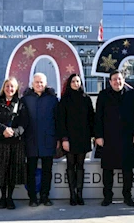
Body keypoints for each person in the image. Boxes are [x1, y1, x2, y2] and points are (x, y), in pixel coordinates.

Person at [94, 70, 134, 207]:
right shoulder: (103, 95)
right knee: (107, 170)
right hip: (108, 137)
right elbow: (98, 117)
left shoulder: (131, 94)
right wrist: (98, 136)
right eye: (114, 79)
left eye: (120, 79)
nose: (117, 82)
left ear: (124, 80)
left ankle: (127, 197)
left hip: (127, 137)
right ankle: (107, 197)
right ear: (110, 82)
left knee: (127, 170)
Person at [18, 73, 59, 207]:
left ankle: (45, 196)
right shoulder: (25, 99)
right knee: (31, 170)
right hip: (31, 140)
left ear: (45, 84)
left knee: (47, 171)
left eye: (41, 82)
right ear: (32, 84)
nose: (39, 85)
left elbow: (57, 120)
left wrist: (58, 138)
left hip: (48, 139)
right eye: (37, 82)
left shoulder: (53, 99)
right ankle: (32, 198)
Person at [56, 74, 95, 206]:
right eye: (73, 81)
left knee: (80, 166)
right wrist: (64, 139)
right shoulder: (64, 100)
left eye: (78, 81)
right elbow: (60, 121)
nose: (76, 83)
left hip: (83, 138)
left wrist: (93, 136)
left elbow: (91, 119)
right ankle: (72, 195)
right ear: (69, 83)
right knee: (70, 166)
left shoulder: (86, 99)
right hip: (69, 139)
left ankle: (80, 194)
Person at [0, 77, 26, 210]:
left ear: (16, 89)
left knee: (12, 171)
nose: (9, 89)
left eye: (12, 87)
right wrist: (3, 130)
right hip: (0, 142)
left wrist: (14, 132)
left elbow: (23, 124)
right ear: (3, 88)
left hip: (15, 143)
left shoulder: (21, 104)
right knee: (2, 170)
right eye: (7, 86)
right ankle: (2, 197)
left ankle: (10, 197)